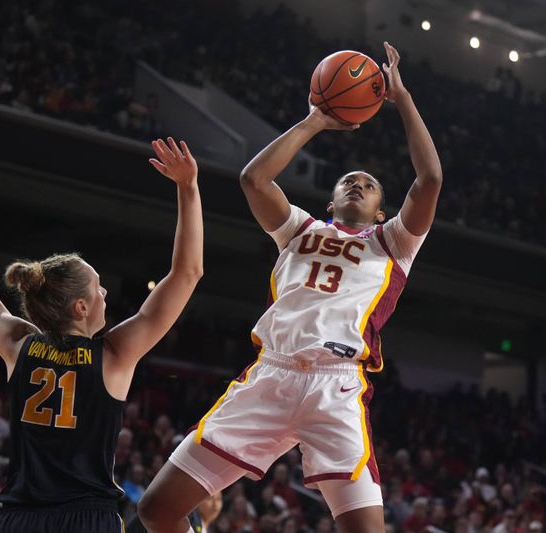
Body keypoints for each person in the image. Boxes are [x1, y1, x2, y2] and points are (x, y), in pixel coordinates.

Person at [139, 42, 442, 533]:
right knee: (155, 510)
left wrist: (402, 99)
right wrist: (315, 121)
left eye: (368, 185)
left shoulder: (393, 244)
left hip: (335, 386)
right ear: (330, 199)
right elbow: (253, 179)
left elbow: (429, 179)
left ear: (382, 212)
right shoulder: (299, 230)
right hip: (270, 376)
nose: (357, 185)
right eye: (348, 181)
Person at [0, 136, 203, 533]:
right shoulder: (115, 354)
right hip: (87, 519)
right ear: (80, 307)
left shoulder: (19, 344)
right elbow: (187, 273)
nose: (104, 293)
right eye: (98, 287)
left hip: (19, 519)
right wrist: (188, 188)